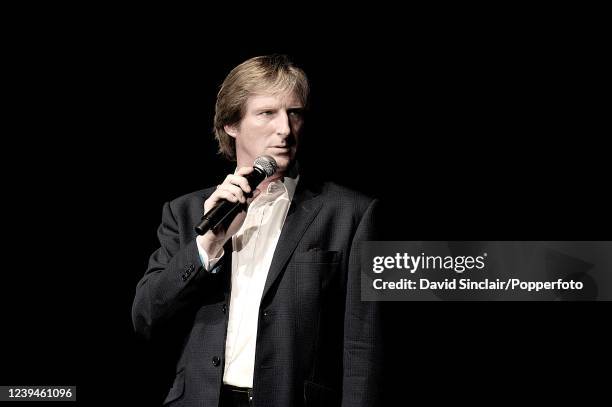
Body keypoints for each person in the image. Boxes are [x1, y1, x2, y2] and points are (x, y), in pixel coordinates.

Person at [132, 54, 382, 407]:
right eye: (267, 113)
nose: (285, 128)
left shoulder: (349, 213)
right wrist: (208, 243)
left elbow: (362, 345)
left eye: (294, 113)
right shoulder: (186, 211)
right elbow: (146, 316)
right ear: (231, 124)